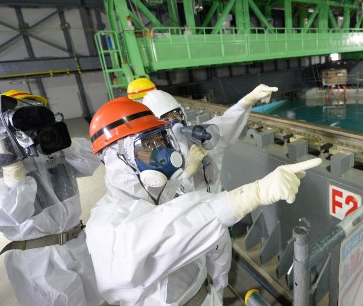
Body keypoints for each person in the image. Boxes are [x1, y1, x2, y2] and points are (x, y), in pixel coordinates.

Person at [85, 97, 321, 306]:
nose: (160, 151)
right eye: (147, 145)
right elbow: (168, 230)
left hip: (207, 290)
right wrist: (253, 194)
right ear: (117, 158)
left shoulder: (162, 192)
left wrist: (244, 103)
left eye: (160, 140)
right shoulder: (106, 225)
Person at [0, 90, 102, 306]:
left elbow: (91, 162)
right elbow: (9, 214)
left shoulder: (52, 148)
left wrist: (65, 143)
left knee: (98, 299)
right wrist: (9, 168)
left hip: (79, 244)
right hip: (39, 261)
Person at [139, 82, 278, 297]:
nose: (174, 121)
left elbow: (226, 122)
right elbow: (161, 202)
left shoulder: (203, 137)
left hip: (219, 221)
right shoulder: (155, 159)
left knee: (221, 270)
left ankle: (218, 298)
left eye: (176, 113)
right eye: (166, 118)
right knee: (197, 278)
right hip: (190, 231)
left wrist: (246, 101)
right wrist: (187, 172)